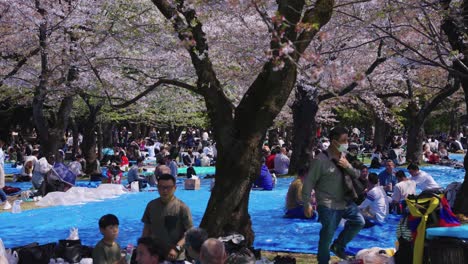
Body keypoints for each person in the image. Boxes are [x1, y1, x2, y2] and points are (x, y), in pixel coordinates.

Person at [302, 127, 365, 263]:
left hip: (345, 200)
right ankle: (324, 261)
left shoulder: (345, 156)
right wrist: (307, 202)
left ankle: (338, 246)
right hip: (327, 202)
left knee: (359, 222)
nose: (346, 143)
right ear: (334, 141)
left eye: (347, 140)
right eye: (343, 140)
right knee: (327, 233)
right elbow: (309, 182)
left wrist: (348, 166)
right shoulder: (320, 160)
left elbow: (359, 175)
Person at [141, 174, 193, 261]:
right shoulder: (151, 206)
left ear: (175, 188)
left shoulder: (182, 207)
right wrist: (142, 247)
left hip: (175, 257)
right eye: (161, 187)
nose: (165, 190)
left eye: (168, 187)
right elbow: (147, 228)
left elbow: (189, 233)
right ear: (157, 187)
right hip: (155, 255)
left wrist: (177, 248)